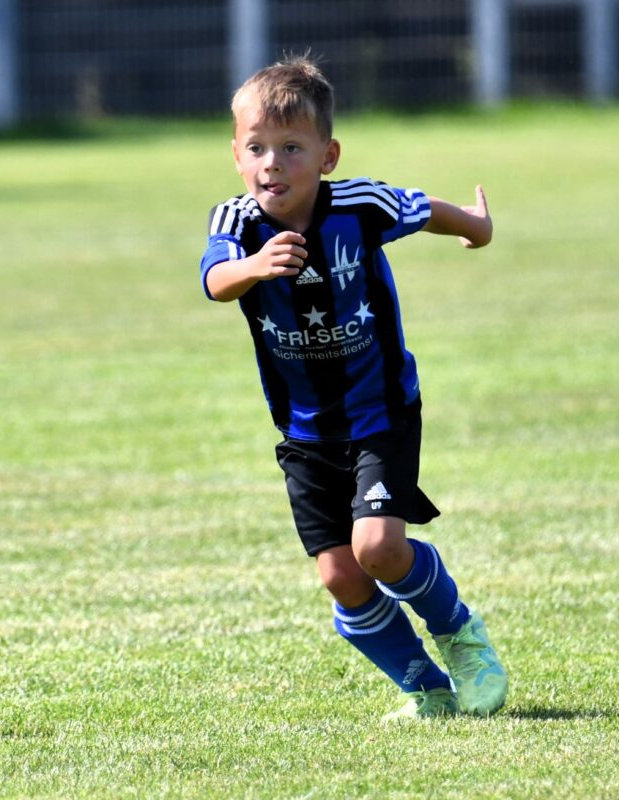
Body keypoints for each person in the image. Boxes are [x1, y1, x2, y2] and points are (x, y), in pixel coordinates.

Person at [197, 55, 508, 721]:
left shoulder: (359, 207)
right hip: (305, 431)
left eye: (290, 148)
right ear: (236, 155)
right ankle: (425, 688)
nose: (271, 164)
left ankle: (462, 639)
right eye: (256, 149)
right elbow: (215, 281)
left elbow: (425, 211)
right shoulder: (236, 223)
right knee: (340, 573)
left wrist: (476, 227)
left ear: (327, 155)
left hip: (379, 411)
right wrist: (253, 267)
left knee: (378, 547)